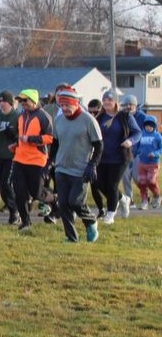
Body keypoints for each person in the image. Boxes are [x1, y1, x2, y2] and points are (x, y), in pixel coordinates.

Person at [52, 87, 102, 243]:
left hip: (81, 169)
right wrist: (50, 162)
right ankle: (71, 237)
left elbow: (99, 145)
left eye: (68, 105)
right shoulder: (59, 120)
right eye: (62, 105)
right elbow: (55, 143)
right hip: (61, 167)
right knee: (63, 204)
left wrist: (92, 165)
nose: (65, 108)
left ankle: (91, 220)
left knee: (75, 202)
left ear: (76, 104)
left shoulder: (88, 120)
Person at [93, 90, 141, 224]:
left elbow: (137, 132)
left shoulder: (125, 116)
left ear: (115, 102)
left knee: (112, 184)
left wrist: (130, 141)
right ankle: (123, 199)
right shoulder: (99, 118)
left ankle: (110, 214)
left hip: (120, 157)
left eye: (110, 99)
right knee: (99, 184)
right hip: (102, 157)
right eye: (105, 100)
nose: (107, 102)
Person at [12, 89, 54, 231]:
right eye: (21, 101)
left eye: (26, 100)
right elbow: (20, 135)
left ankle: (55, 200)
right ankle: (26, 222)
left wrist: (30, 140)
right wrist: (16, 144)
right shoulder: (21, 116)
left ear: (34, 101)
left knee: (36, 193)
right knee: (19, 192)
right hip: (19, 159)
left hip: (37, 160)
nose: (23, 103)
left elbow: (50, 138)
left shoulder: (43, 116)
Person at [0, 91, 20, 224]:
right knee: (2, 187)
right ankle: (13, 208)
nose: (2, 104)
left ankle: (15, 212)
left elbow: (22, 136)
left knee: (6, 183)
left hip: (11, 156)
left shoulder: (17, 116)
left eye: (4, 101)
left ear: (11, 103)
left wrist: (14, 135)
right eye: (0, 101)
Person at [118, 94, 147, 217]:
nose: (128, 107)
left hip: (139, 152)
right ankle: (130, 200)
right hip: (125, 152)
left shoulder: (142, 117)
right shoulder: (121, 116)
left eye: (131, 104)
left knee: (137, 177)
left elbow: (144, 134)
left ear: (136, 106)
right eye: (126, 104)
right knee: (125, 177)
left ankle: (145, 198)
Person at [136, 116, 162, 209]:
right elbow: (137, 146)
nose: (148, 127)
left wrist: (155, 154)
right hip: (142, 163)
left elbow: (161, 148)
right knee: (142, 182)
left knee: (151, 181)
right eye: (147, 125)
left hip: (153, 163)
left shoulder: (158, 136)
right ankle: (144, 201)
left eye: (151, 126)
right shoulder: (141, 135)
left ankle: (157, 196)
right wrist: (136, 152)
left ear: (154, 126)